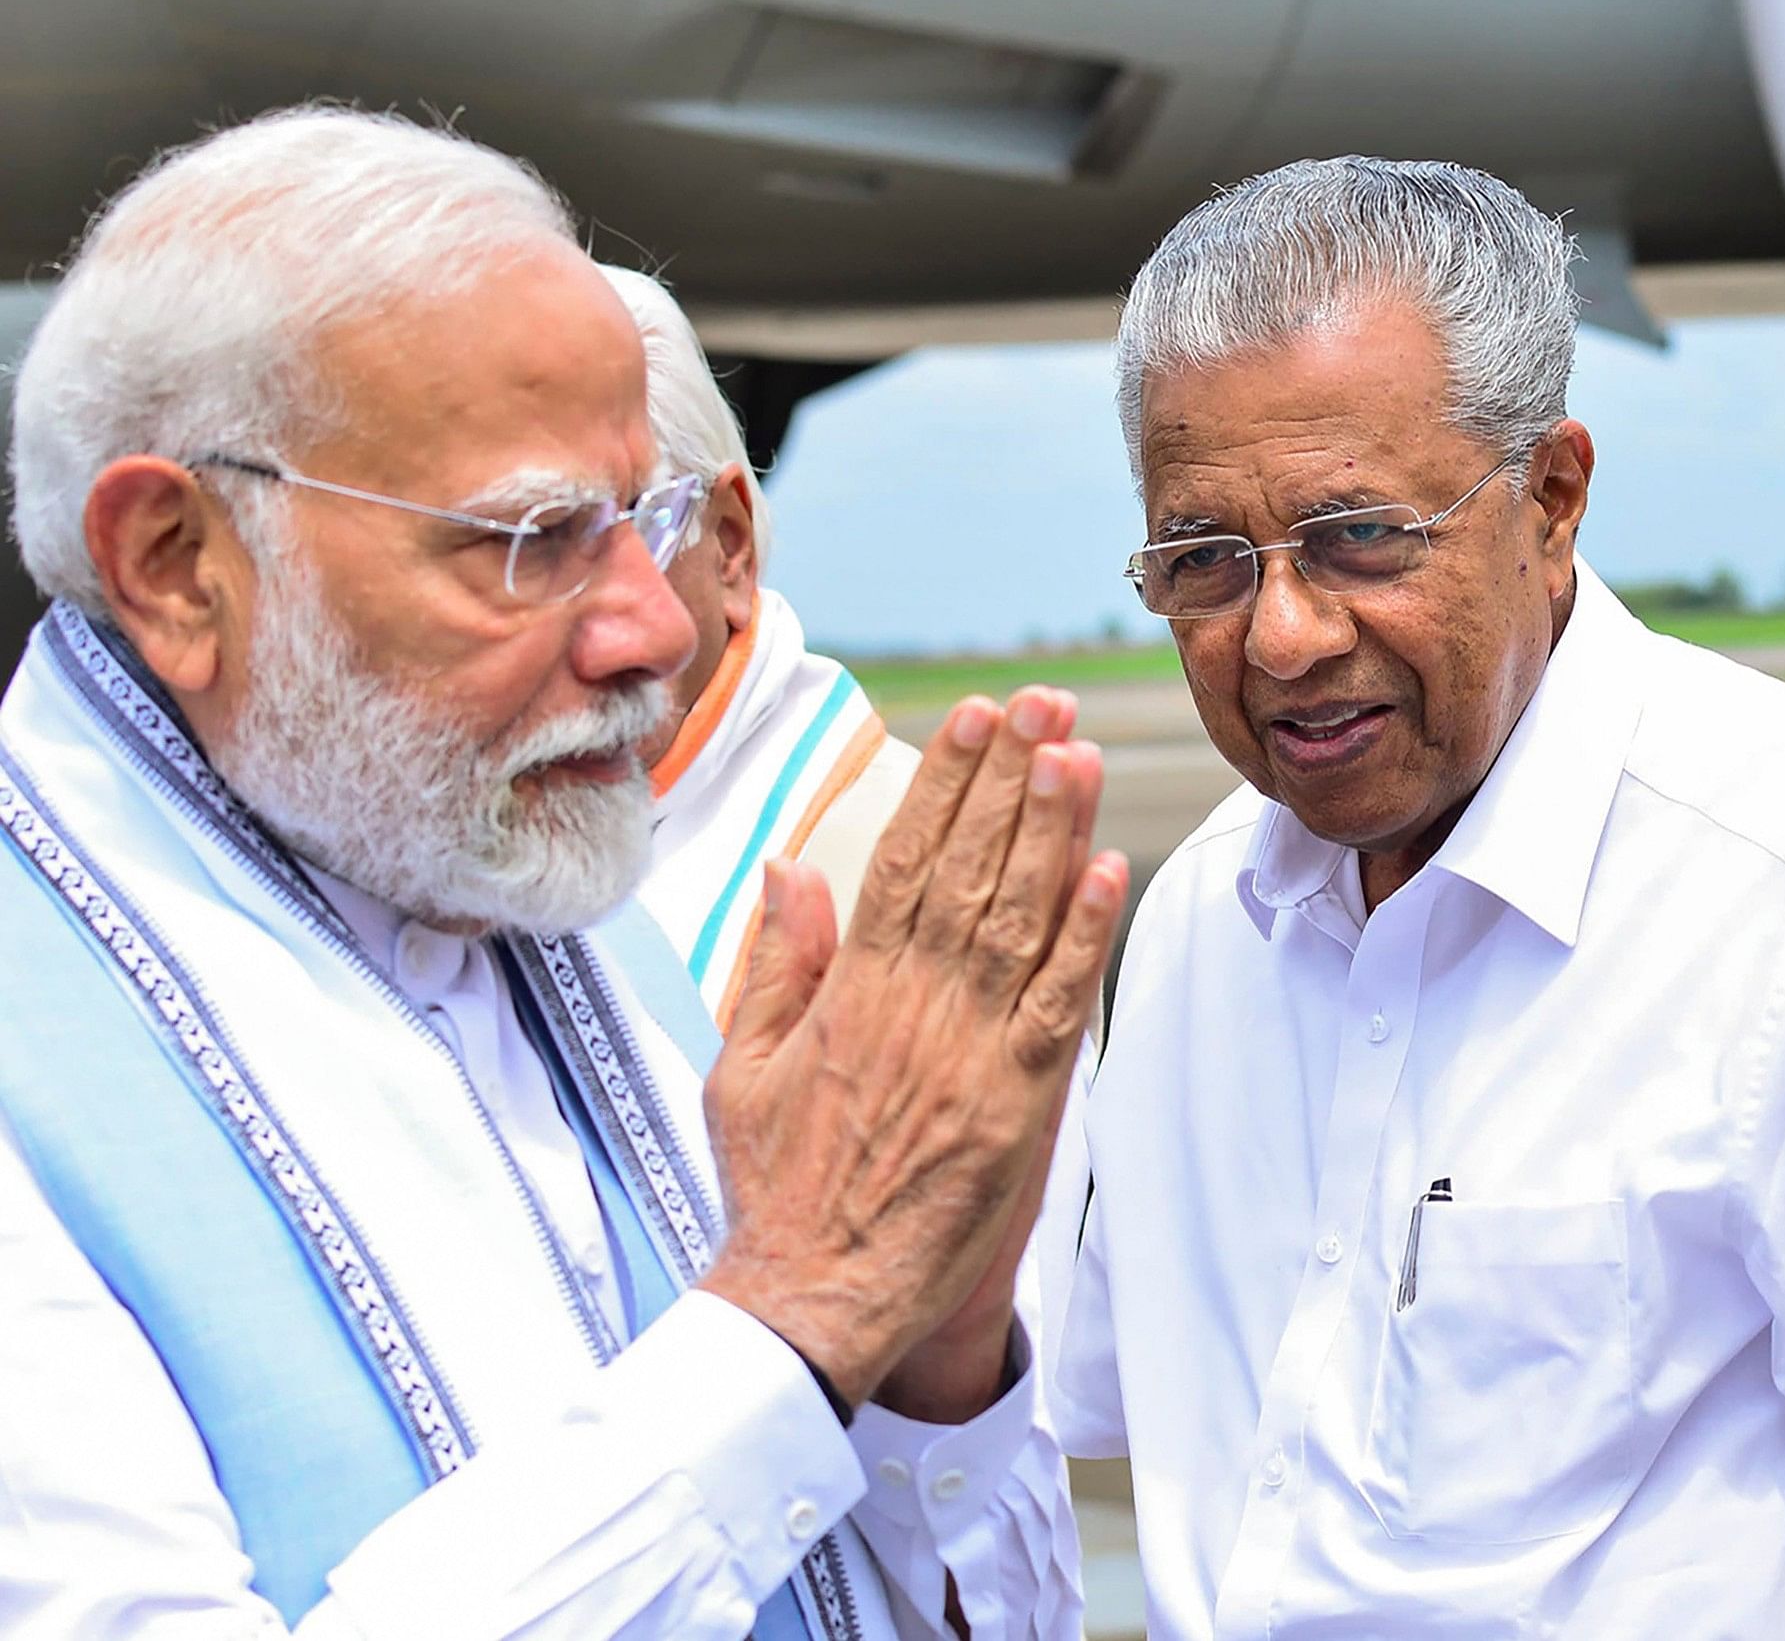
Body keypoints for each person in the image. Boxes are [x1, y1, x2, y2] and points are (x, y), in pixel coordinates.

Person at [0, 106, 1122, 1638]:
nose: (657, 631)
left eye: (647, 522)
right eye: (530, 537)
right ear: (176, 561)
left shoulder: (568, 933)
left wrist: (937, 1346)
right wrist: (797, 1313)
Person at [1055, 156, 1785, 1638]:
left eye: (1359, 536)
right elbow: (1100, 1406)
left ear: (1549, 497)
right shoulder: (1200, 919)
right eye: (1205, 561)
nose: (1283, 636)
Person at [601, 266, 919, 1023]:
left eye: (619, 534)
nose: (555, 609)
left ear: (730, 546)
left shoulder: (903, 873)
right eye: (502, 548)